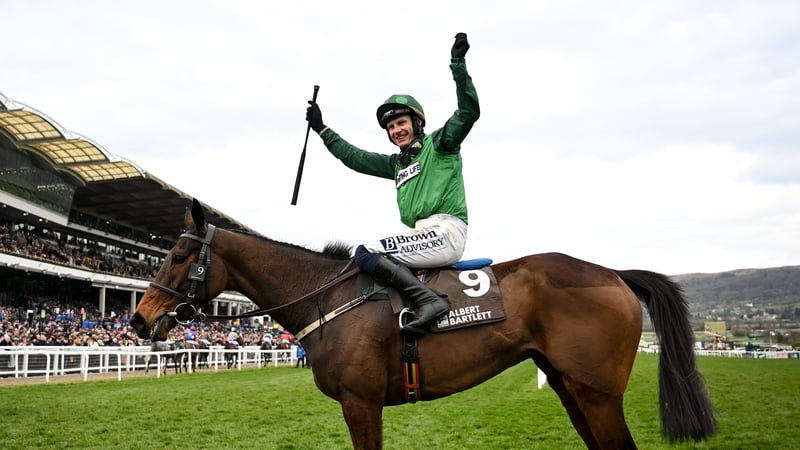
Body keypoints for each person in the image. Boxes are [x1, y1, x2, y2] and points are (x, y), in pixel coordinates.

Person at [305, 32, 479, 335]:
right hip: (422, 233)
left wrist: (458, 65)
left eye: (401, 123)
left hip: (446, 231)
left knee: (366, 253)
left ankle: (430, 303)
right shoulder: (395, 164)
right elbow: (355, 158)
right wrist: (322, 129)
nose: (396, 130)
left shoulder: (440, 144)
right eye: (391, 127)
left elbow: (468, 113)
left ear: (417, 123)